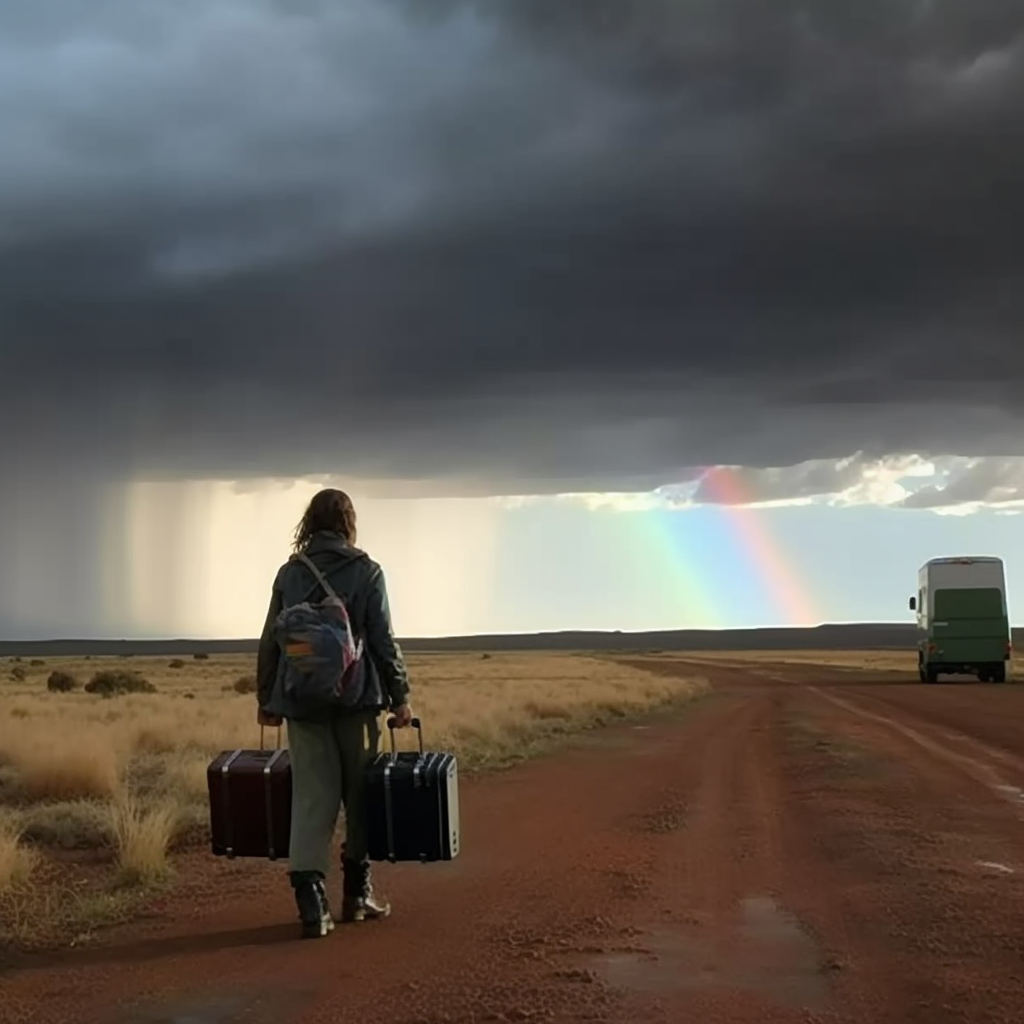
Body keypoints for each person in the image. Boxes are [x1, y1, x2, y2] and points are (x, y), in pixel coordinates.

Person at [256, 487, 413, 938]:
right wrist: (399, 696)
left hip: (301, 703)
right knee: (360, 798)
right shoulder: (367, 571)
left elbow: (270, 639)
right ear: (348, 522)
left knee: (311, 799)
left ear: (309, 522)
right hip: (356, 700)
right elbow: (383, 641)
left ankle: (312, 905)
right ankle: (356, 896)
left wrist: (266, 698)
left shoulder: (290, 574)